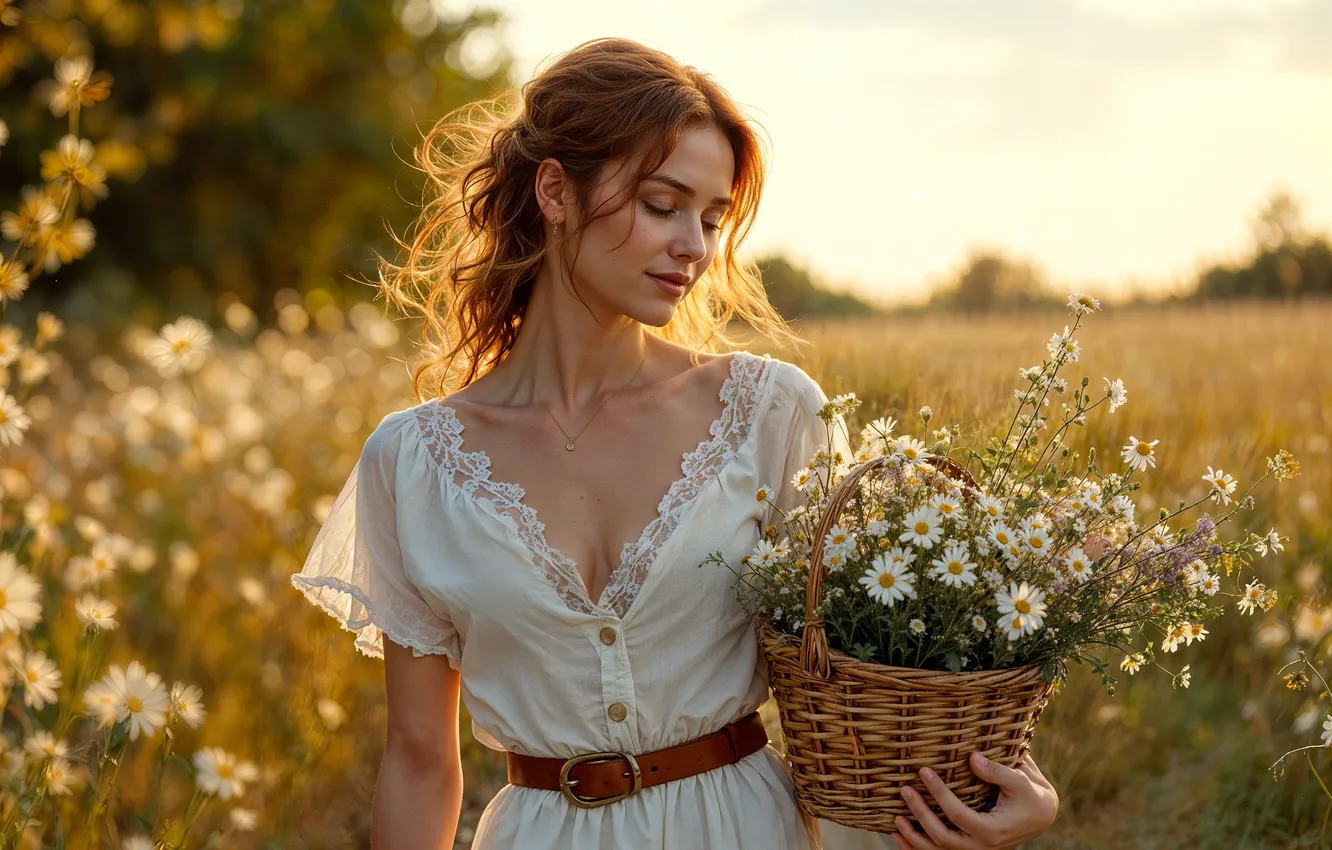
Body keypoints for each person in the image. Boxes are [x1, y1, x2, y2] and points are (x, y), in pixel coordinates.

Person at [291, 37, 1059, 850]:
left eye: (712, 218)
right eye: (663, 205)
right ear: (555, 191)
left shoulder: (769, 415)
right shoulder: (410, 464)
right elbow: (418, 761)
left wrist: (1003, 783)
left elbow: (874, 675)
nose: (695, 245)